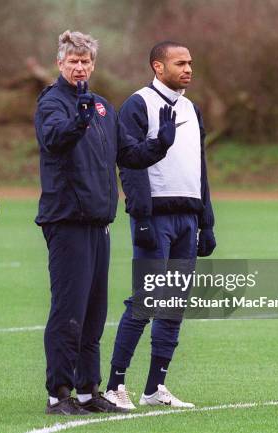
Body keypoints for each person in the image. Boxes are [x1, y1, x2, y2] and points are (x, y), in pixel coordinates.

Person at [35, 30, 178, 415]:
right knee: (68, 311)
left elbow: (127, 154)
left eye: (85, 61)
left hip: (99, 222)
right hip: (67, 220)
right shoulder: (53, 102)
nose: (79, 67)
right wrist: (76, 123)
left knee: (94, 313)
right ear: (60, 63)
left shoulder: (101, 108)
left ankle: (87, 390)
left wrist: (159, 144)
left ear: (93, 65)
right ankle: (58, 394)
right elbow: (53, 140)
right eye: (72, 61)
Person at [103, 41, 216, 410]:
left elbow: (199, 168)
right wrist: (142, 217)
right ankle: (115, 385)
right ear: (157, 66)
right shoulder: (139, 104)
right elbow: (129, 163)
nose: (188, 69)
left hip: (188, 219)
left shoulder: (191, 109)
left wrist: (206, 222)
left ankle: (155, 388)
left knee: (174, 304)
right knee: (145, 301)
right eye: (179, 62)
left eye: (190, 62)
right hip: (155, 219)